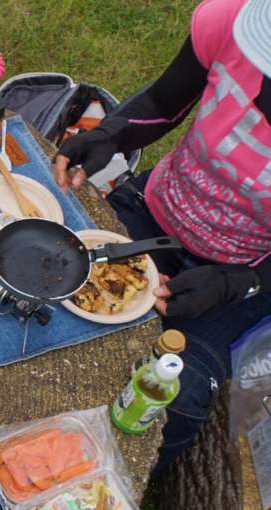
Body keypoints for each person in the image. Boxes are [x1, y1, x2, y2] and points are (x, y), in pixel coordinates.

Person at [53, 0, 271, 477]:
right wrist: (111, 134)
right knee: (53, 293)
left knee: (172, 404)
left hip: (244, 271)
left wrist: (238, 283)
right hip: (154, 211)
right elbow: (161, 104)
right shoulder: (232, 21)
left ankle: (102, 496)